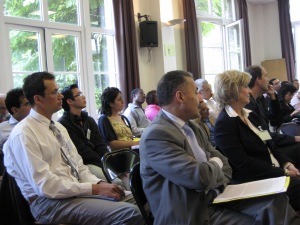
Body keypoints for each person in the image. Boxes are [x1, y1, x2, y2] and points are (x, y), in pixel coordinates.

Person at [140, 70, 300, 225]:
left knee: (277, 202)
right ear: (180, 97)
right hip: (192, 211)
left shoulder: (192, 127)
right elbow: (200, 177)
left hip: (218, 196)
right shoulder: (157, 135)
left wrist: (212, 166)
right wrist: (214, 163)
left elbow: (226, 166)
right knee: (262, 217)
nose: (200, 98)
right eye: (196, 92)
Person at [3, 72, 142, 225]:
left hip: (74, 192)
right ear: (37, 99)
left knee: (144, 200)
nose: (61, 96)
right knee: (130, 214)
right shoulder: (24, 134)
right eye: (54, 92)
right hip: (49, 203)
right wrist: (93, 189)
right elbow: (46, 187)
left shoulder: (58, 128)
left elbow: (79, 166)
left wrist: (99, 184)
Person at [214, 70, 300, 212]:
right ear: (233, 91)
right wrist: (283, 172)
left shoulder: (251, 116)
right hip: (257, 180)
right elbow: (243, 164)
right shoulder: (225, 124)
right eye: (245, 87)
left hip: (274, 170)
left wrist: (287, 163)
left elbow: (270, 144)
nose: (249, 90)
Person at [58, 84, 109, 179]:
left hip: (100, 162)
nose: (84, 97)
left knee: (126, 176)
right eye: (79, 94)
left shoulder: (89, 120)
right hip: (83, 166)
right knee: (116, 181)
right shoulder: (63, 124)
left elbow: (101, 144)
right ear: (69, 101)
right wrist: (103, 164)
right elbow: (81, 151)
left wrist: (109, 161)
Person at [0, 88, 31, 176]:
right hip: (15, 176)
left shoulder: (39, 125)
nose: (32, 106)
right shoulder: (2, 129)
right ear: (15, 110)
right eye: (27, 104)